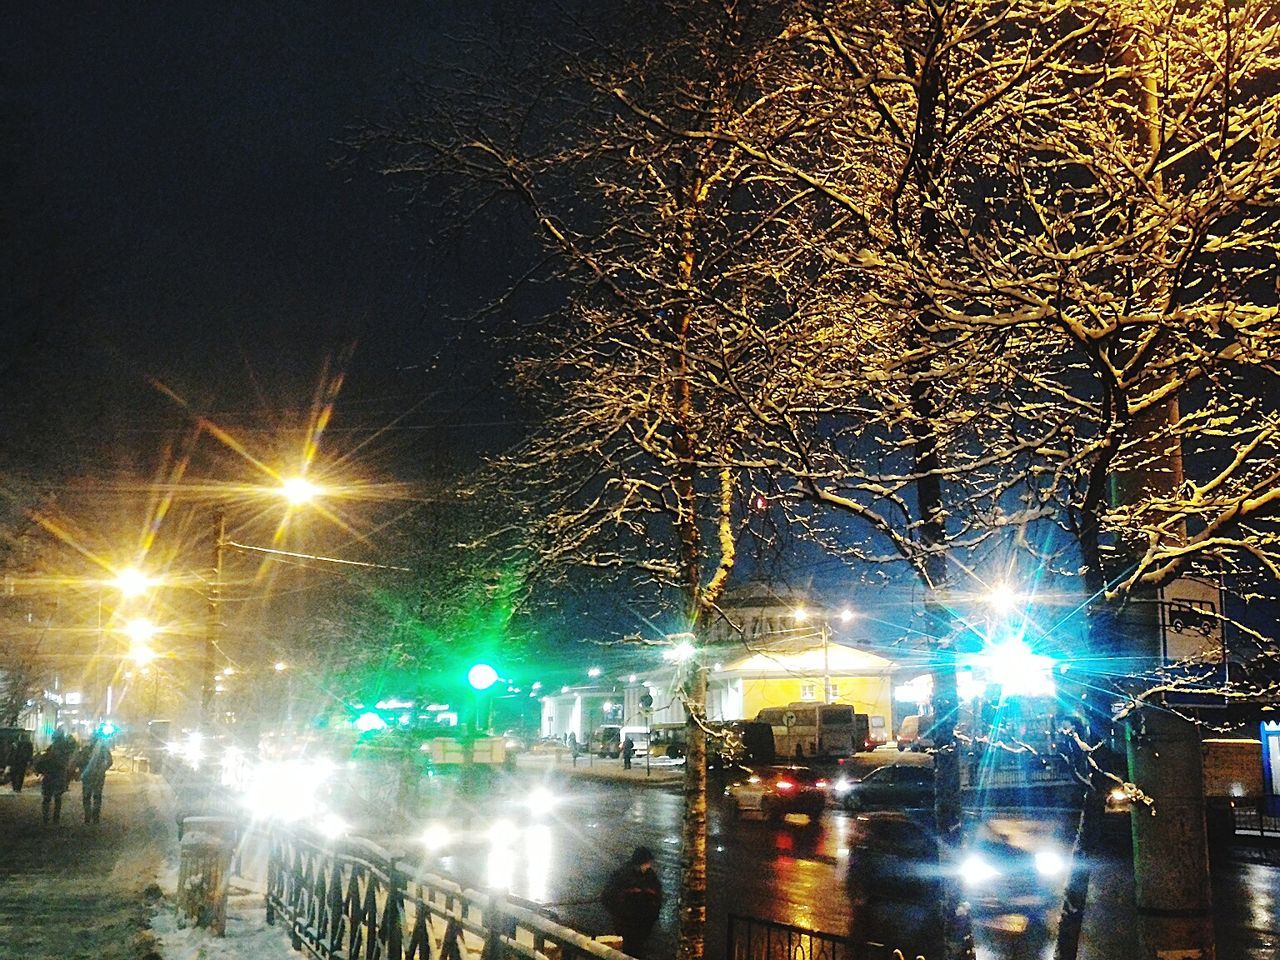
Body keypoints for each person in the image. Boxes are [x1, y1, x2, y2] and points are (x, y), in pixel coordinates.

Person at [601, 845, 663, 957]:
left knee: (638, 950)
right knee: (629, 950)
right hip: (627, 924)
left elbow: (657, 896)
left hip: (643, 923)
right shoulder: (623, 876)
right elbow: (608, 897)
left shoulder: (649, 876)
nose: (649, 866)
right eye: (647, 863)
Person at [35, 731, 76, 824]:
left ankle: (46, 818)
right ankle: (55, 818)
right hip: (59, 775)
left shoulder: (53, 748)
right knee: (57, 797)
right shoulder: (65, 749)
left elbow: (45, 760)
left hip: (49, 775)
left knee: (47, 798)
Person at [78, 733, 114, 823]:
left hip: (87, 777)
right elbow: (110, 761)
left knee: (86, 797)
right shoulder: (103, 749)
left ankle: (87, 817)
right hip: (99, 776)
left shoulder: (86, 750)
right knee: (97, 796)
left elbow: (79, 761)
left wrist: (82, 771)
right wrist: (102, 769)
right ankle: (95, 818)